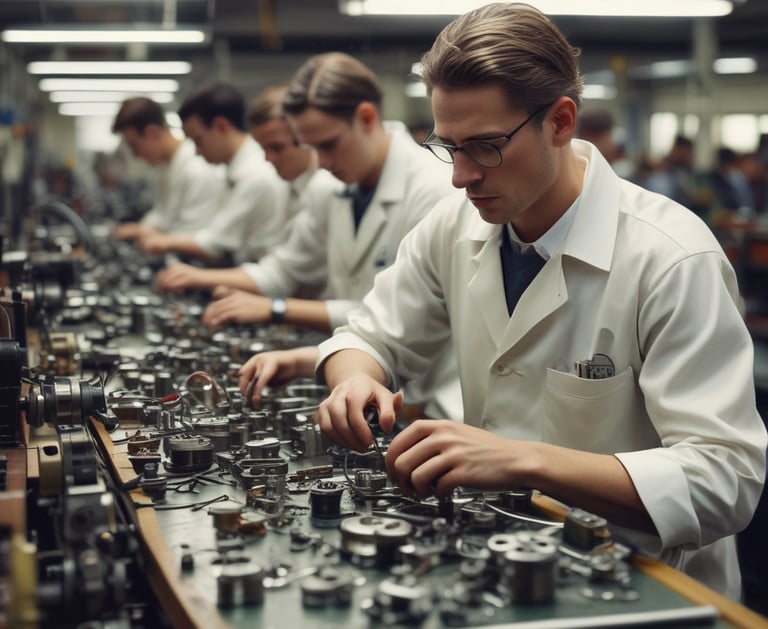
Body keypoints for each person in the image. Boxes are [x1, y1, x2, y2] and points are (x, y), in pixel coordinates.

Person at [313, 2, 766, 600]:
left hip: (644, 587)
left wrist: (524, 461)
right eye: (449, 147)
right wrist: (354, 380)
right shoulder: (452, 226)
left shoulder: (672, 257)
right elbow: (368, 337)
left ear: (560, 121)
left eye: (485, 147)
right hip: (499, 564)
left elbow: (725, 481)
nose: (461, 176)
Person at [207, 52, 462, 421]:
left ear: (366, 118)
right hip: (371, 383)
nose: (321, 162)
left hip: (433, 402)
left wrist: (278, 310)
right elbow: (374, 328)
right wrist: (304, 359)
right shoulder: (330, 187)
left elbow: (405, 323)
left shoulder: (435, 189)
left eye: (328, 144)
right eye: (311, 147)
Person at [154, 84, 342, 295]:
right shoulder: (291, 183)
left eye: (277, 148)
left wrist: (202, 277)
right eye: (264, 148)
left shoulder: (317, 186)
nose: (267, 158)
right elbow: (283, 267)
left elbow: (220, 245)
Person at [139, 81, 292, 265]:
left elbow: (217, 243)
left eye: (198, 140)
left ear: (221, 126)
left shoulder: (255, 174)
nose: (196, 152)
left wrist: (164, 242)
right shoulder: (234, 170)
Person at [110, 96, 226, 242]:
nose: (135, 155)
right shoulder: (164, 167)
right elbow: (162, 216)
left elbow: (195, 234)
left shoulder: (197, 169)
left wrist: (147, 235)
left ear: (152, 132)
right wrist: (139, 229)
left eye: (134, 145)